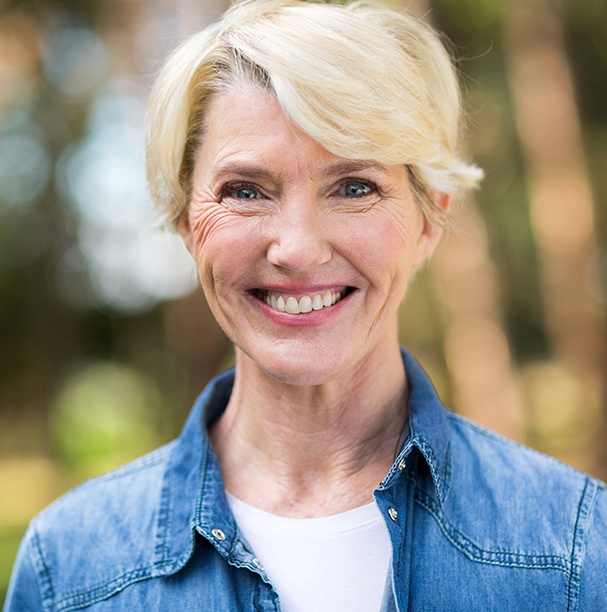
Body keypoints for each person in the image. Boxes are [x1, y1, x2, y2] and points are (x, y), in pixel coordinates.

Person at [5, 0, 607, 610]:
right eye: (245, 190)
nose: (296, 248)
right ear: (187, 222)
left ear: (429, 219)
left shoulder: (578, 552)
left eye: (354, 187)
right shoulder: (68, 570)